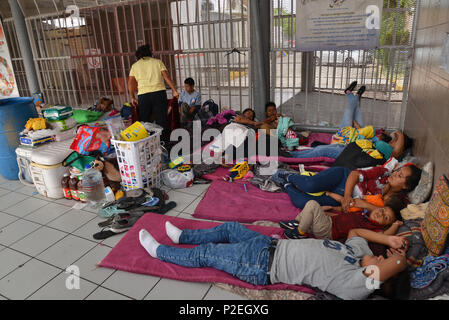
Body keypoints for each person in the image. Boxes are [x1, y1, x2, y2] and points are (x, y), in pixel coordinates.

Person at [139, 221, 409, 300]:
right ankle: (183, 235)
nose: (382, 255)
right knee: (230, 228)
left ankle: (159, 252)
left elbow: (396, 265)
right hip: (269, 244)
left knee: (207, 253)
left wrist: (400, 259)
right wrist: (389, 239)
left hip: (260, 265)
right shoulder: (357, 255)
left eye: (383, 260)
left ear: (380, 279)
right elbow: (355, 232)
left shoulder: (354, 284)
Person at [271, 163, 422, 210]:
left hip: (342, 200)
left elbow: (389, 214)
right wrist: (348, 196)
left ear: (405, 187)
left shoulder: (397, 201)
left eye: (400, 176)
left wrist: (345, 201)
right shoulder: (383, 173)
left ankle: (286, 185)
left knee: (304, 203)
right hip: (343, 178)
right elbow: (354, 174)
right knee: (311, 185)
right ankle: (287, 175)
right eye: (398, 171)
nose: (395, 174)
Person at [279, 199, 404, 241]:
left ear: (385, 225)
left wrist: (395, 225)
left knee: (312, 204)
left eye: (385, 218)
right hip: (328, 222)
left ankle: (300, 233)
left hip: (328, 232)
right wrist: (327, 213)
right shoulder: (363, 214)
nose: (381, 214)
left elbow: (386, 236)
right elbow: (341, 217)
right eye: (382, 210)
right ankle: (297, 223)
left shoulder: (374, 228)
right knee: (311, 210)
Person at [128, 44, 179, 142]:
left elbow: (130, 83)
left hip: (143, 96)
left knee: (145, 120)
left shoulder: (135, 66)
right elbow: (166, 77)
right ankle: (163, 142)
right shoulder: (158, 62)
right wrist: (174, 90)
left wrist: (132, 97)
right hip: (159, 94)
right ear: (150, 53)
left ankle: (147, 142)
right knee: (161, 119)